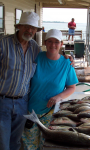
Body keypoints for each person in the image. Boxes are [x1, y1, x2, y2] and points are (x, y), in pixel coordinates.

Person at [0, 12, 74, 150]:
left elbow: (53, 56)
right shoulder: (4, 44)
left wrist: (66, 56)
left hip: (23, 103)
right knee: (3, 143)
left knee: (16, 142)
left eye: (33, 28)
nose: (30, 30)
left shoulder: (34, 47)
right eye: (27, 26)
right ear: (19, 26)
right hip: (4, 101)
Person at [22, 29, 78, 150]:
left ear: (61, 44)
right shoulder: (36, 57)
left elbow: (72, 87)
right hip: (31, 110)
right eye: (50, 41)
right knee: (29, 146)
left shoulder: (67, 63)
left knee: (47, 145)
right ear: (45, 43)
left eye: (56, 42)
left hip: (51, 113)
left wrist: (59, 96)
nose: (53, 45)